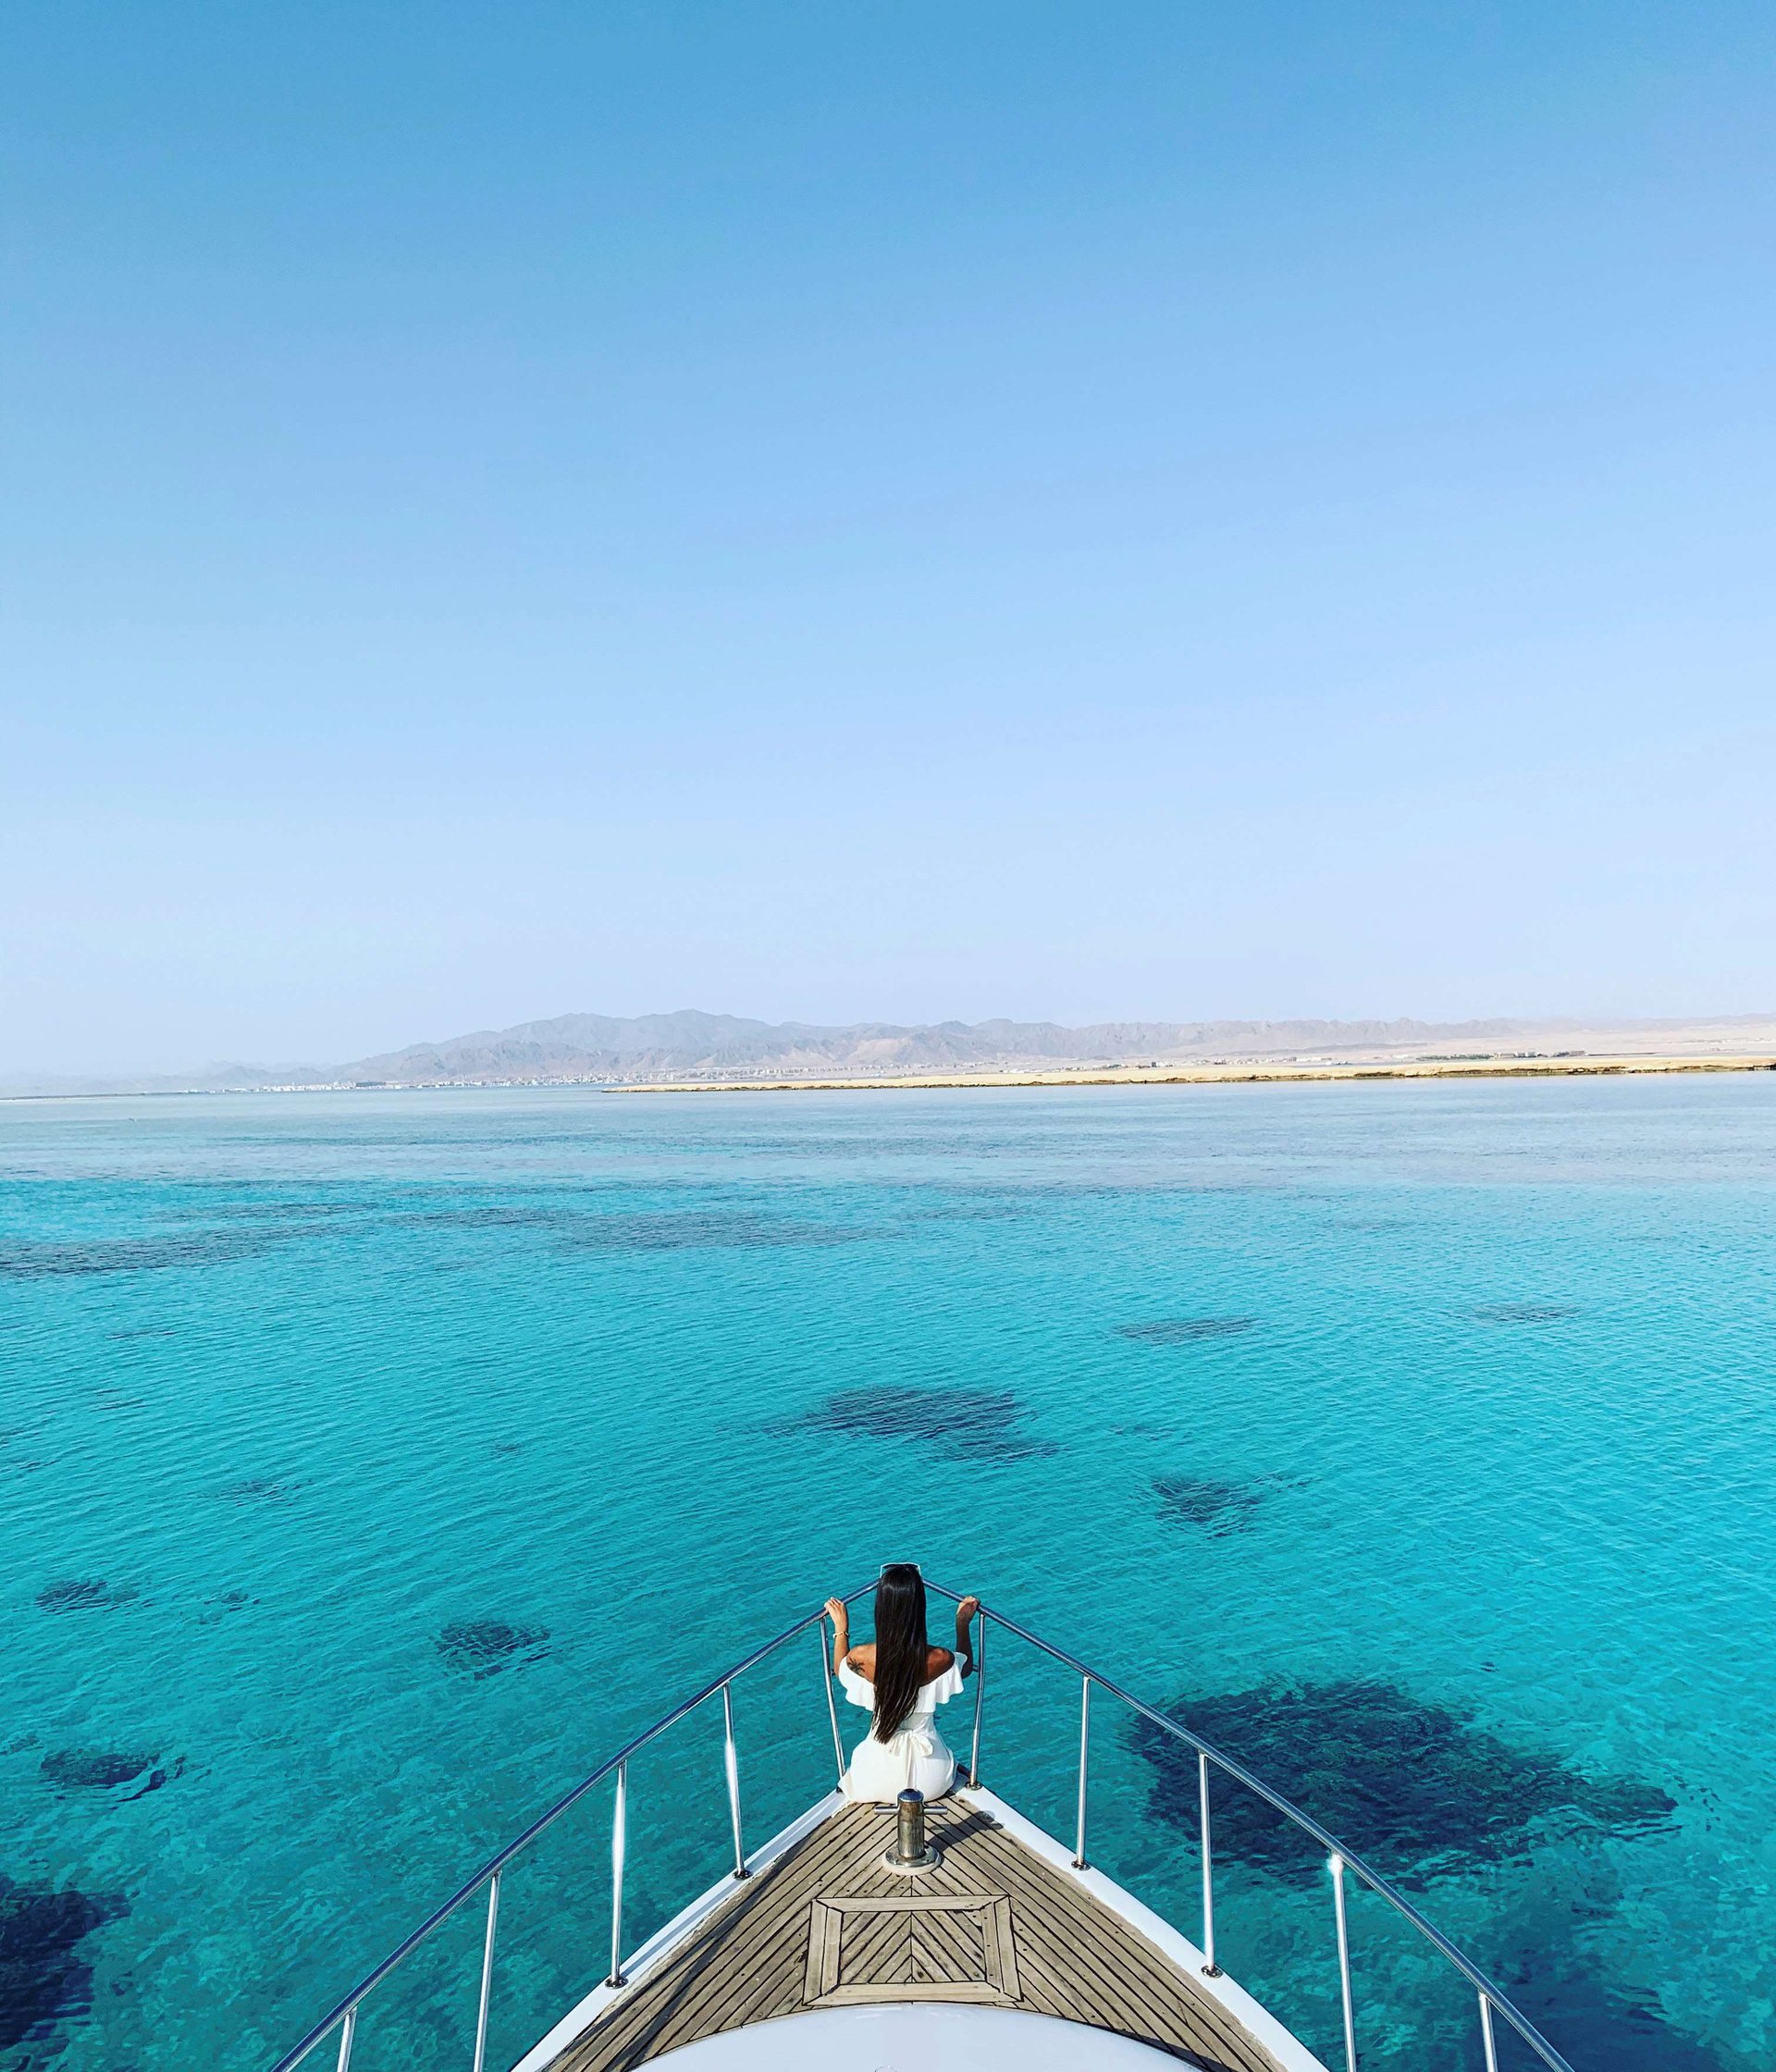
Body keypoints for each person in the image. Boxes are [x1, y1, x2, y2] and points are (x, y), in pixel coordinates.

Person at [823, 1566, 980, 1804]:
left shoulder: (862, 1658)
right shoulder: (942, 1659)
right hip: (931, 1779)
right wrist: (962, 1623)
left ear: (882, 1609)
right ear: (919, 1609)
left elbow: (840, 1670)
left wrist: (841, 1629)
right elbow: (965, 1667)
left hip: (875, 1776)